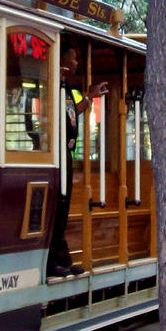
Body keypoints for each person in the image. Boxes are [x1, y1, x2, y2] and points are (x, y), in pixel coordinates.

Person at [47, 44, 108, 277]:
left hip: (66, 155)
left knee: (63, 210)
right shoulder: (52, 84)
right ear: (62, 61)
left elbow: (71, 115)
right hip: (56, 156)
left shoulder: (65, 88)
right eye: (73, 59)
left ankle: (61, 259)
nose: (75, 64)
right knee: (57, 208)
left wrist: (90, 97)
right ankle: (52, 262)